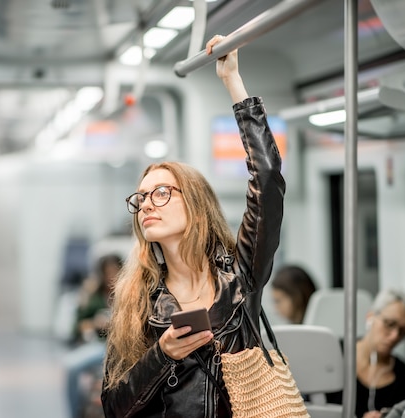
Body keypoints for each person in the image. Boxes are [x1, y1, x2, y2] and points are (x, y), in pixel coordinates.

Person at [101, 34, 286, 417]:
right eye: (141, 198)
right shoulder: (139, 299)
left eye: (162, 193)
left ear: (197, 205)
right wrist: (162, 354)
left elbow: (267, 180)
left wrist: (233, 81)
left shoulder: (241, 276)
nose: (147, 204)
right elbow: (113, 406)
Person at [327, 288, 405, 418]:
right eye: (390, 324)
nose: (395, 336)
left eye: (403, 331)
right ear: (370, 317)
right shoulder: (333, 353)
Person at [65, 253, 123, 418]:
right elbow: (78, 326)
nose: (111, 276)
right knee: (71, 367)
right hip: (100, 346)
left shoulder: (129, 294)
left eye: (115, 271)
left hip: (123, 347)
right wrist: (95, 323)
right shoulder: (94, 297)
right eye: (107, 272)